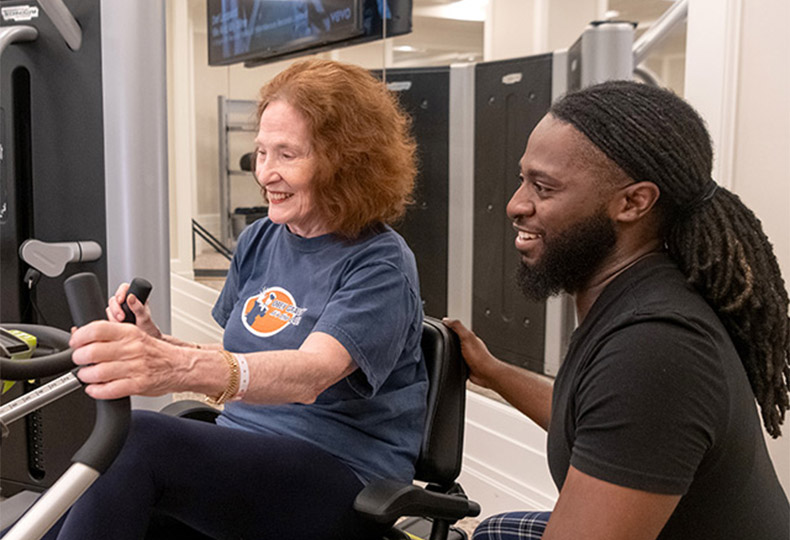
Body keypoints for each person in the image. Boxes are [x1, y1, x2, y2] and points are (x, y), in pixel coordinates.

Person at [46, 59, 427, 540]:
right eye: (261, 152)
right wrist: (161, 344)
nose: (266, 172)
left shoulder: (380, 263)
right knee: (98, 481)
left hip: (342, 480)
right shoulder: (262, 238)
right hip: (246, 455)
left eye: (287, 155)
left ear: (346, 163)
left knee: (138, 439)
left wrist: (173, 368)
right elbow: (244, 360)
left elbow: (311, 375)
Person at [444, 80, 790, 540]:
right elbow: (601, 421)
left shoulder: (655, 346)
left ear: (633, 202)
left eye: (543, 188)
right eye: (521, 179)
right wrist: (495, 372)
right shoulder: (637, 294)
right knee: (495, 530)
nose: (515, 205)